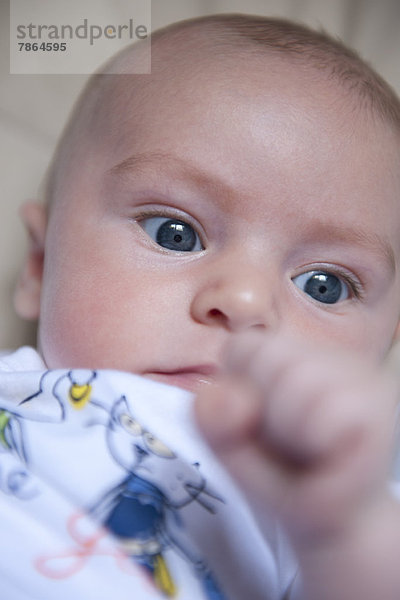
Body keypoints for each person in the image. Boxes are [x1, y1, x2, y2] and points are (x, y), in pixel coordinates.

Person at [3, 12, 400, 600]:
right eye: (174, 233)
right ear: (40, 264)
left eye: (325, 285)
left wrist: (346, 532)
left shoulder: (348, 486)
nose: (243, 301)